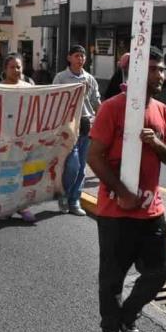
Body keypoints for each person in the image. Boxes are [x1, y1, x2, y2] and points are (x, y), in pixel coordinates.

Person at [87, 46, 166, 332]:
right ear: (139, 73)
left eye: (162, 69)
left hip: (152, 211)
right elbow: (94, 156)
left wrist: (156, 142)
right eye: (154, 69)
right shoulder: (112, 108)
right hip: (115, 213)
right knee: (112, 278)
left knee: (158, 273)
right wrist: (121, 191)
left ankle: (127, 319)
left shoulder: (163, 111)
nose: (161, 75)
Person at [53, 45, 101, 216]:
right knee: (72, 165)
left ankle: (74, 199)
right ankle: (63, 194)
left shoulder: (90, 79)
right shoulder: (61, 78)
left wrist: (102, 118)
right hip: (68, 126)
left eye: (82, 56)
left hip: (86, 125)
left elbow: (96, 103)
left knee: (81, 167)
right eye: (76, 55)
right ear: (69, 58)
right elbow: (53, 101)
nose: (80, 59)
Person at [0, 53, 37, 223]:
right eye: (12, 67)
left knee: (22, 172)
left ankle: (22, 206)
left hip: (24, 139)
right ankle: (5, 206)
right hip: (3, 139)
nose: (16, 70)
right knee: (5, 172)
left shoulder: (29, 87)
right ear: (5, 69)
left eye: (19, 67)